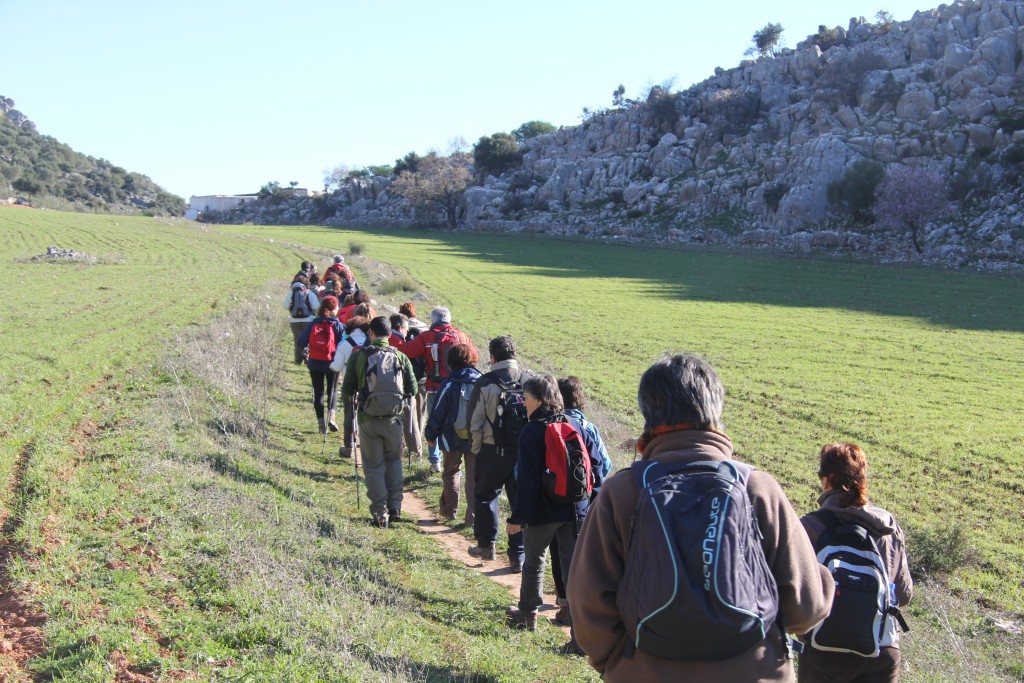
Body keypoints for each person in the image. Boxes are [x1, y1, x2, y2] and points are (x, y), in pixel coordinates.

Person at [568, 354, 834, 681]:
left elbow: (588, 609)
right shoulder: (758, 489)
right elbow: (805, 608)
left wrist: (623, 665)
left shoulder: (621, 492)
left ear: (647, 413)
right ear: (716, 410)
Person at [797, 443, 913, 683]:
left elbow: (792, 589)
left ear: (827, 479)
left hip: (825, 648)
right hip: (882, 647)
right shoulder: (888, 529)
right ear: (863, 479)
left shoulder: (809, 527)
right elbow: (903, 595)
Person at [504, 374, 586, 635]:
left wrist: (517, 518)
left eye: (526, 398)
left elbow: (528, 481)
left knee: (534, 561)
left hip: (542, 511)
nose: (523, 403)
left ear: (539, 400)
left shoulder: (531, 431)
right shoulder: (571, 423)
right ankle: (578, 628)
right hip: (573, 509)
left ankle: (528, 615)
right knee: (572, 568)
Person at [341, 316, 417, 528]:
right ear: (390, 335)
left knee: (373, 466)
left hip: (368, 419)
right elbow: (413, 389)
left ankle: (379, 513)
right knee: (394, 461)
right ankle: (395, 508)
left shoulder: (359, 357)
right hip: (394, 419)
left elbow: (347, 389)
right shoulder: (401, 357)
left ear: (370, 333)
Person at [548, 376, 612, 628]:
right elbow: (605, 465)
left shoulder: (552, 424)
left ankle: (564, 606)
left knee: (559, 553)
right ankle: (587, 609)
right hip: (588, 502)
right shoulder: (589, 427)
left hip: (558, 500)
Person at [466, 336, 528, 571]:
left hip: (492, 450)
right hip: (522, 453)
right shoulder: (529, 381)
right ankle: (518, 556)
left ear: (492, 357)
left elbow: (474, 422)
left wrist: (476, 450)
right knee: (519, 503)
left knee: (485, 496)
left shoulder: (484, 383)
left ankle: (486, 545)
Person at [395, 306, 475, 473]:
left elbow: (406, 350)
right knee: (459, 420)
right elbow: (474, 356)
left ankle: (435, 461)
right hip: (460, 388)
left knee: (434, 421)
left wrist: (393, 336)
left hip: (435, 387)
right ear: (449, 320)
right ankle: (458, 459)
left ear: (433, 320)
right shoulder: (461, 336)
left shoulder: (426, 337)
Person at [424, 343, 482, 523]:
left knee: (450, 472)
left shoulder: (448, 383)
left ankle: (449, 512)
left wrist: (430, 435)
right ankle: (472, 517)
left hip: (451, 437)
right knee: (474, 477)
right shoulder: (481, 381)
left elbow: (437, 411)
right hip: (476, 437)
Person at [296, 296, 345, 434]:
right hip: (333, 363)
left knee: (318, 393)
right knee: (332, 390)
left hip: (315, 363)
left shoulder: (313, 323)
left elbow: (300, 341)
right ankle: (332, 417)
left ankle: (321, 425)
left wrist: (308, 348)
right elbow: (344, 344)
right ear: (334, 309)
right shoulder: (338, 325)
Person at [330, 314, 371, 458]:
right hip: (369, 384)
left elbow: (337, 367)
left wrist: (332, 365)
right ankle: (368, 444)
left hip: (350, 383)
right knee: (368, 414)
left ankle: (349, 447)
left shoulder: (345, 343)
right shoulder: (370, 341)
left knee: (350, 415)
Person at [400, 303, 428, 456]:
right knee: (421, 411)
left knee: (407, 410)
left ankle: (407, 441)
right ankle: (419, 441)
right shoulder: (425, 328)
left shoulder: (402, 328)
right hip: (423, 377)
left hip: (407, 377)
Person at [284, 275, 319, 365]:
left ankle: (297, 360)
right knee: (308, 339)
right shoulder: (308, 292)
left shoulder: (291, 293)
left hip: (294, 320)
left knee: (297, 340)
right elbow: (316, 306)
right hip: (308, 320)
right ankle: (307, 358)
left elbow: (285, 306)